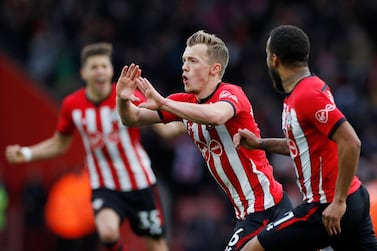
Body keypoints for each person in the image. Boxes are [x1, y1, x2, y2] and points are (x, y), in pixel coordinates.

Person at [115, 30, 293, 251]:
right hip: (246, 214)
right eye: (183, 61)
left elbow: (215, 115)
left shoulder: (231, 93)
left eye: (192, 61)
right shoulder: (184, 102)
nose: (184, 67)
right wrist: (122, 99)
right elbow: (132, 118)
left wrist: (163, 103)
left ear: (214, 69)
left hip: (268, 208)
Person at [5, 42, 173, 251]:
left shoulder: (126, 96)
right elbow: (59, 144)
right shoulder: (72, 105)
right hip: (104, 185)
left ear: (111, 70)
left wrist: (189, 121)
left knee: (156, 245)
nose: (100, 71)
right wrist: (28, 153)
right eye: (94, 67)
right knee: (108, 231)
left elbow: (164, 129)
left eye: (104, 66)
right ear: (84, 72)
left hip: (140, 182)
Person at [233, 25, 377, 251]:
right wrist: (260, 144)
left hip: (326, 207)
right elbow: (305, 146)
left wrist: (338, 202)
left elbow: (351, 141)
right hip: (351, 198)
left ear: (274, 60)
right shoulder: (308, 89)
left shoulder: (306, 95)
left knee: (251, 249)